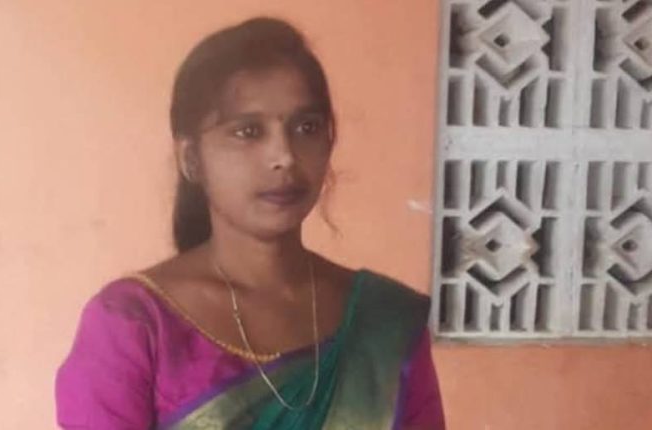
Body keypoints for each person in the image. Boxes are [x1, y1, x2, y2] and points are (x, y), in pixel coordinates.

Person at [55, 16, 445, 430]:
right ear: (192, 159)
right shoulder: (133, 325)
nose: (284, 156)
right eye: (248, 132)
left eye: (306, 127)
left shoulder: (384, 323)